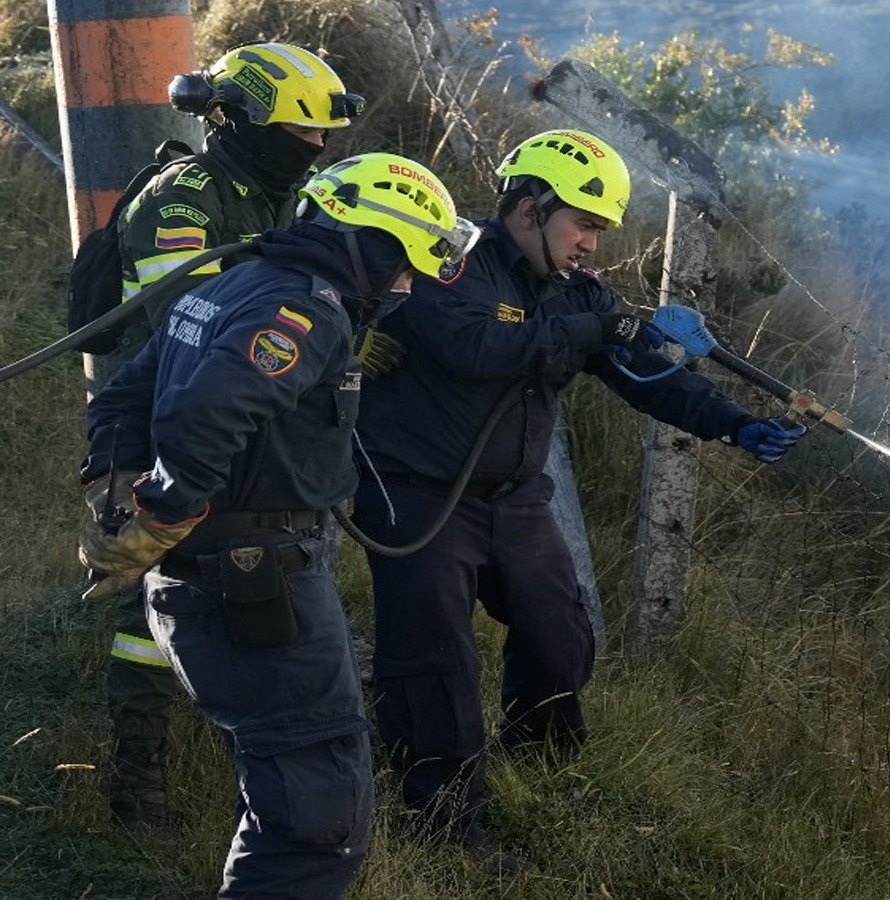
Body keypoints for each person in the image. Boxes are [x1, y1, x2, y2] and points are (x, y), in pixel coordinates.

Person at [350, 129, 808, 850]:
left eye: (600, 230)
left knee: (560, 637)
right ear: (530, 208)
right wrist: (595, 326)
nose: (592, 244)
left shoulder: (576, 293)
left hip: (515, 497)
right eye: (584, 224)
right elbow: (475, 349)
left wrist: (735, 425)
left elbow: (642, 374)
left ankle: (536, 764)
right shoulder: (447, 264)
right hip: (420, 493)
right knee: (436, 662)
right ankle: (442, 819)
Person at [78, 152, 479, 897]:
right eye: (407, 264)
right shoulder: (307, 309)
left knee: (283, 781)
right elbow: (208, 411)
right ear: (376, 244)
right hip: (256, 575)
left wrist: (112, 489)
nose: (408, 285)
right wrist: (167, 505)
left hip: (214, 576)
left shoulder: (233, 284)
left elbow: (124, 395)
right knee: (314, 807)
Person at [95, 41, 364, 831]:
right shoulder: (183, 201)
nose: (317, 148)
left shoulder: (289, 195)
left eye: (323, 137)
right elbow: (187, 328)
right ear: (240, 119)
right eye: (302, 133)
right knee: (143, 601)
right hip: (158, 420)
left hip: (249, 424)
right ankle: (136, 774)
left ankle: (250, 745)